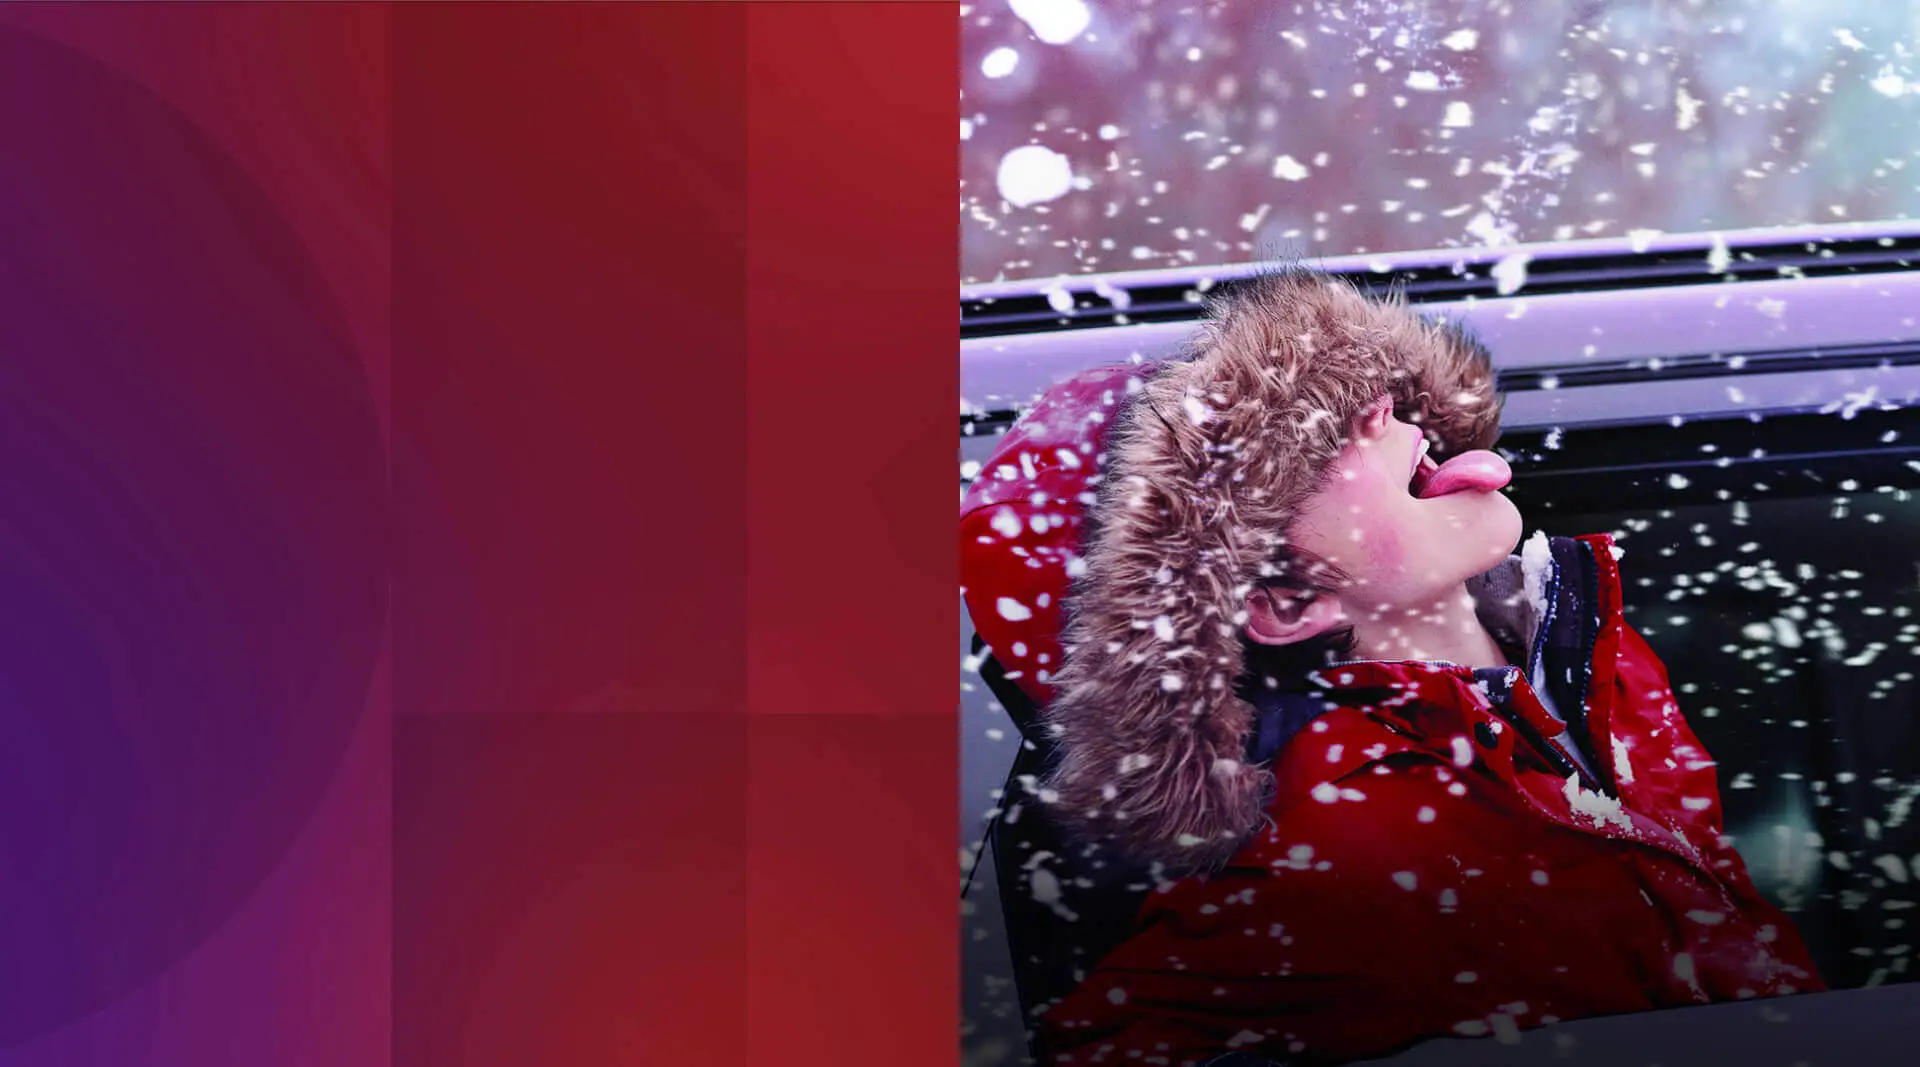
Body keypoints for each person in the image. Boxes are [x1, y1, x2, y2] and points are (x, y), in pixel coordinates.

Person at [958, 270, 1822, 1067]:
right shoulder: (1347, 852)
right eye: (1310, 440)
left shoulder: (1593, 670)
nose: (1381, 412)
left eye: (1366, 398)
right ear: (1286, 606)